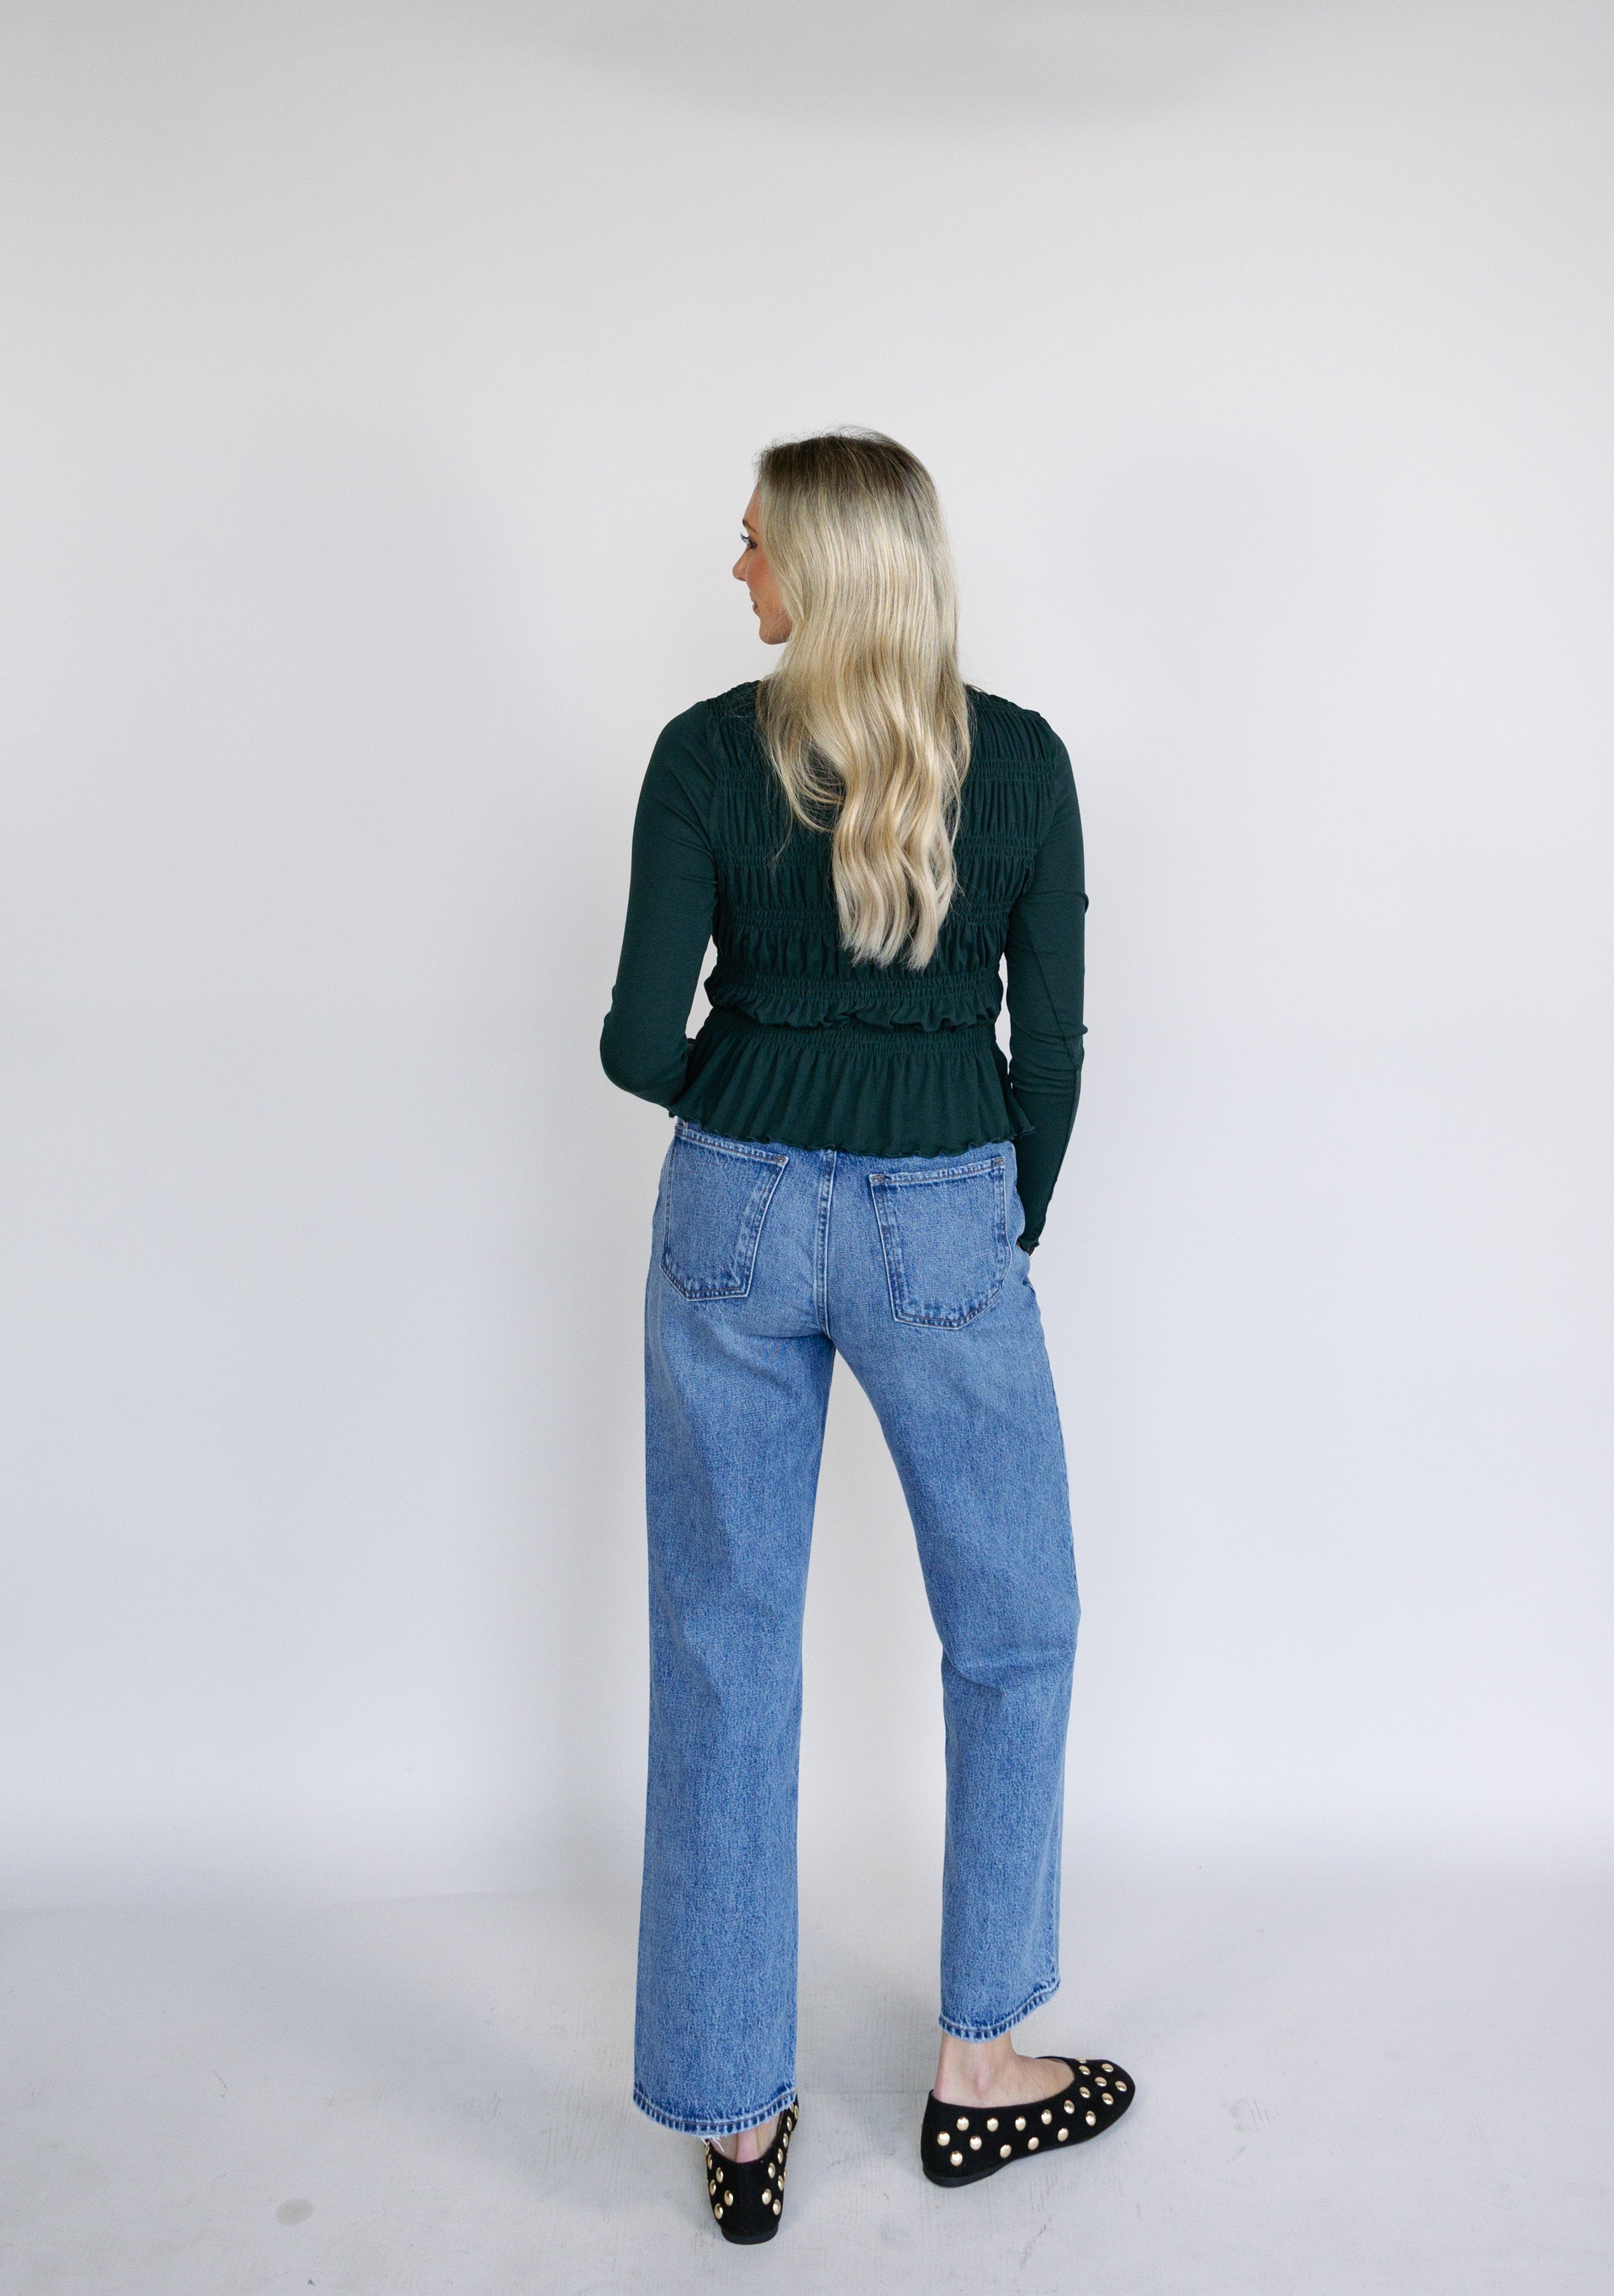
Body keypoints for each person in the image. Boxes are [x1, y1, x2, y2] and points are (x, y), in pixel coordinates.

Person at [599, 430, 1132, 2245]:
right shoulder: (1025, 762)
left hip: (727, 1213)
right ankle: (979, 2072)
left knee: (723, 1646)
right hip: (942, 1210)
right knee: (1015, 1625)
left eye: (756, 541)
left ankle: (737, 2113)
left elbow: (634, 1043)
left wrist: (754, 1097)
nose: (736, 567)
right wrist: (995, 1212)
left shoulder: (700, 756)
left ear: (822, 567)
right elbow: (1051, 1051)